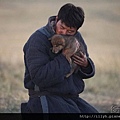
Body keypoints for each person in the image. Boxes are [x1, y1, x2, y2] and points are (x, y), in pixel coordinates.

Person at [21, 3, 99, 114]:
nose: (64, 33)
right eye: (62, 27)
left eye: (70, 31)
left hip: (72, 98)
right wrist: (65, 56)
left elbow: (83, 69)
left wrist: (86, 65)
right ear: (57, 19)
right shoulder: (38, 39)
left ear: (76, 30)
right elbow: (40, 77)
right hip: (45, 97)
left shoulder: (76, 37)